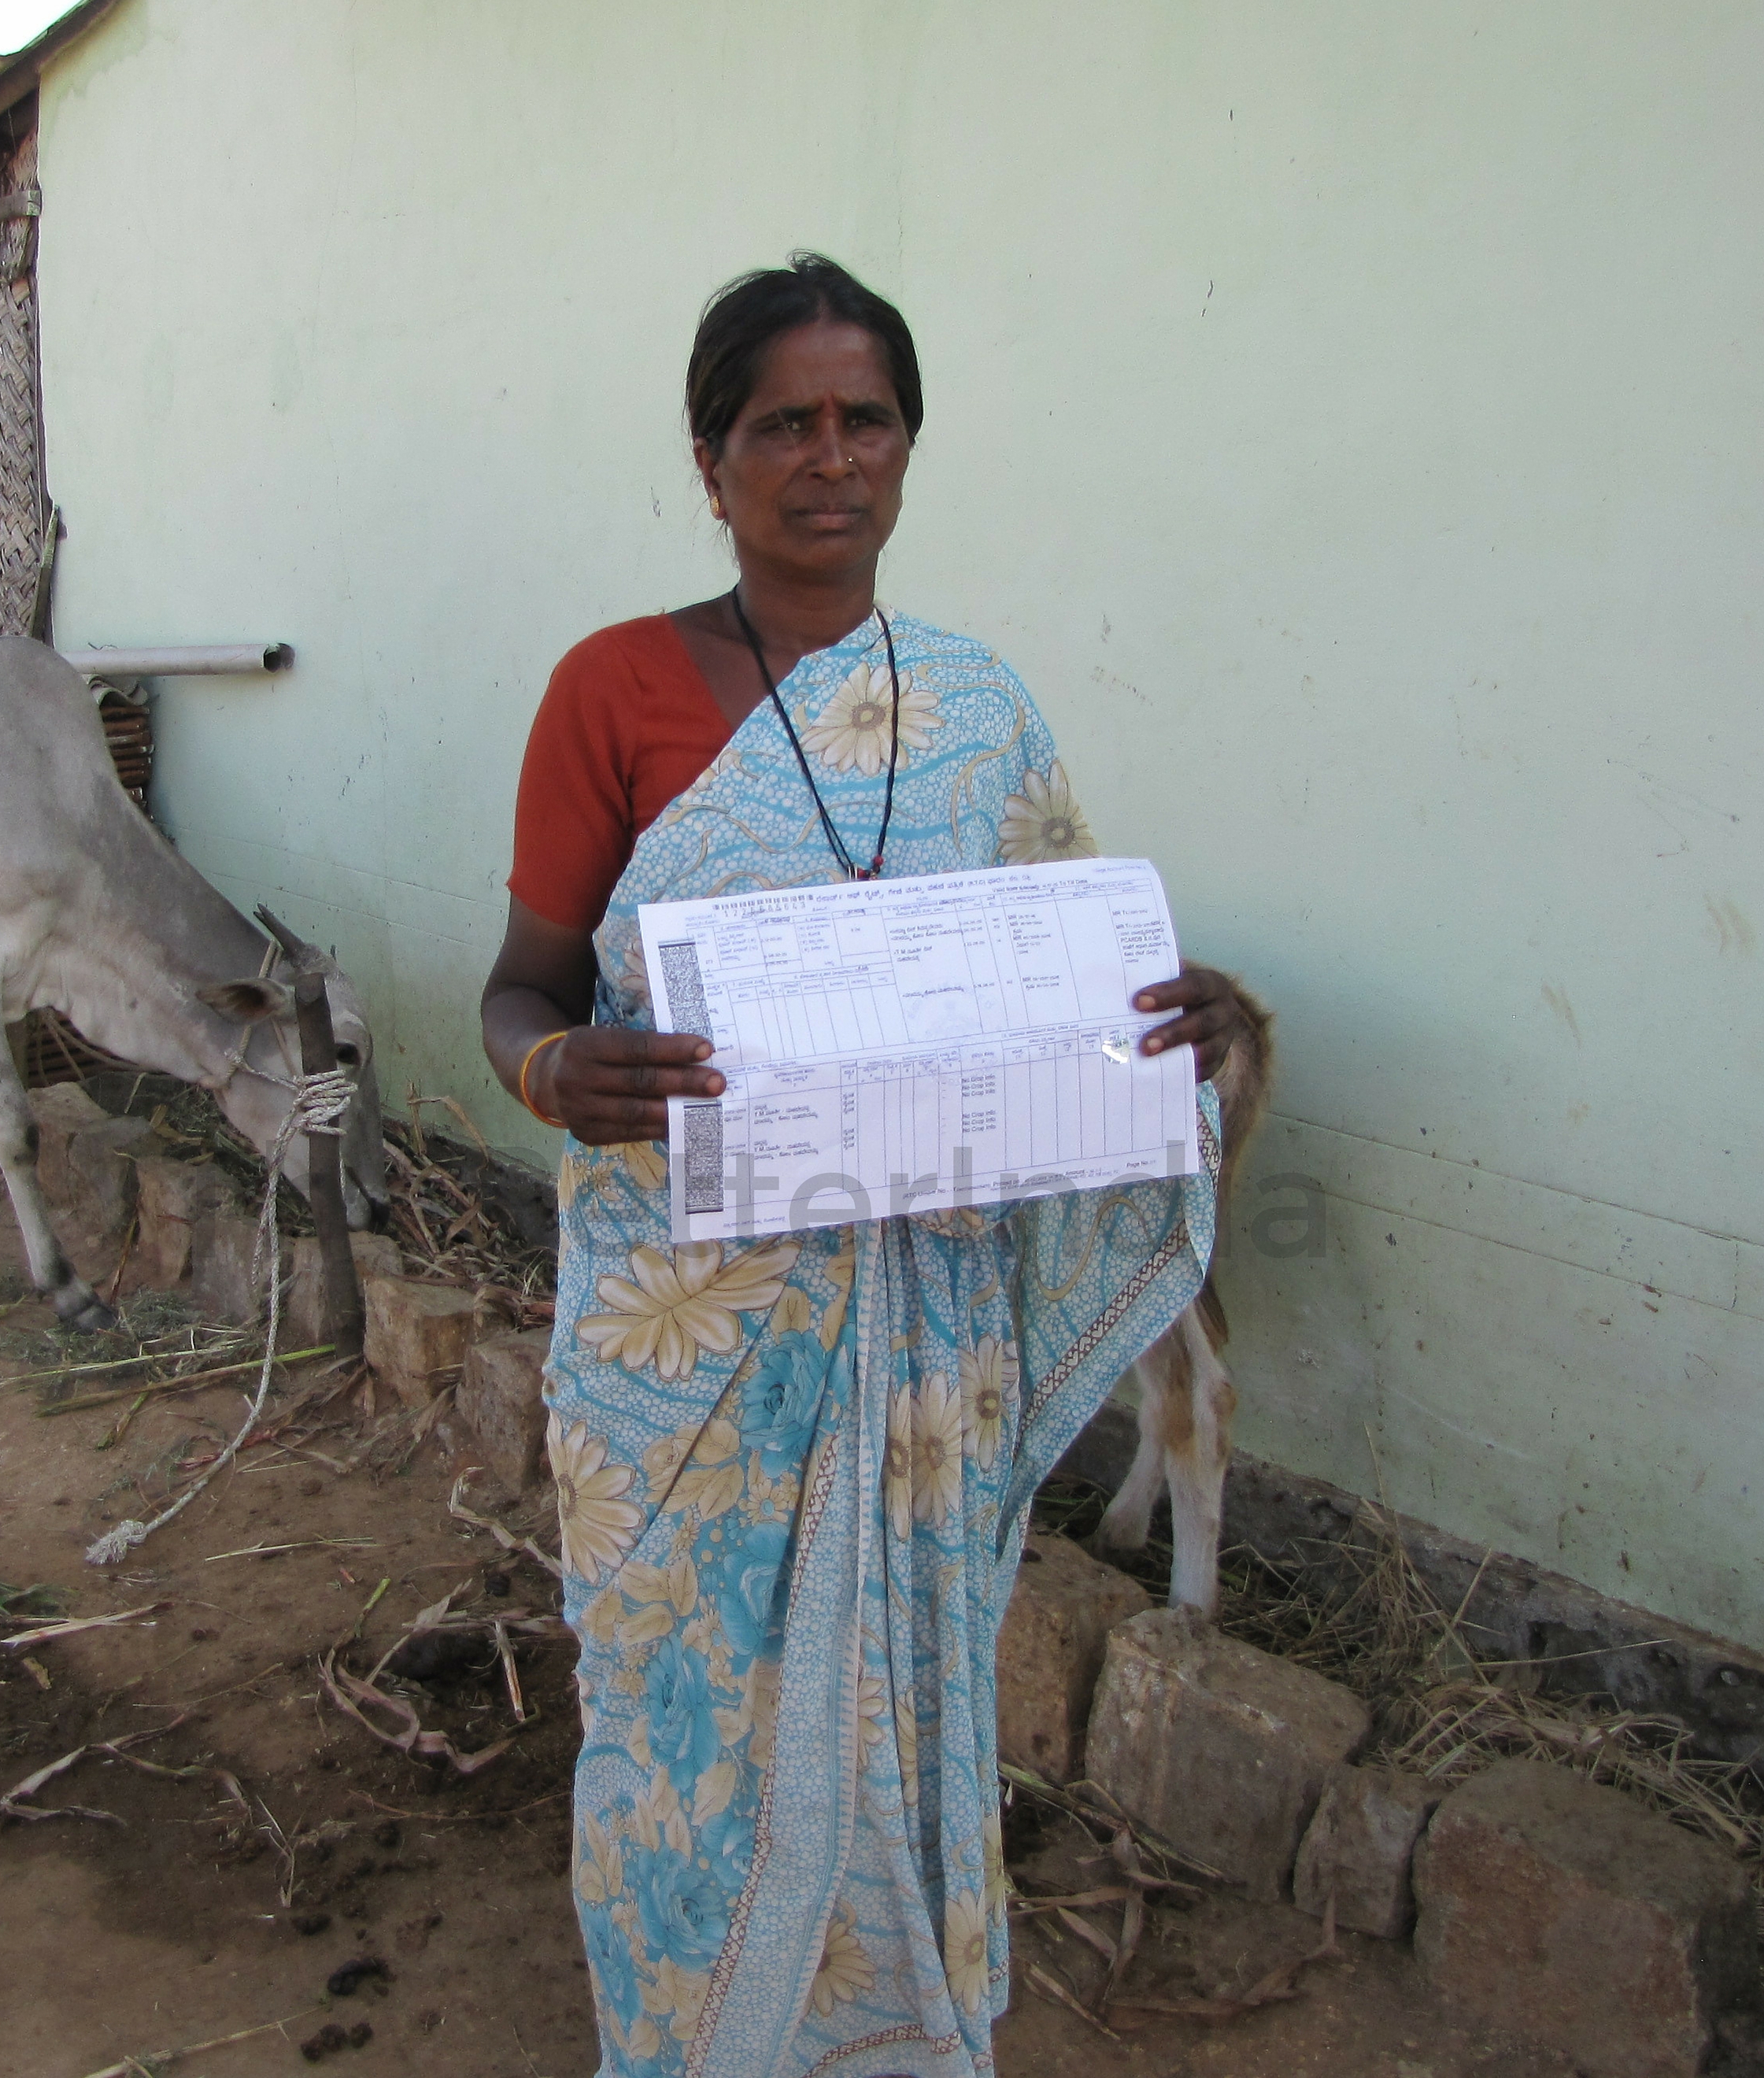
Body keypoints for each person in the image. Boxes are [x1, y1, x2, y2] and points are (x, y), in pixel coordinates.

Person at [481, 254, 1256, 2076]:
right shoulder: (614, 690)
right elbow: (517, 986)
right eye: (784, 424)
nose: (829, 459)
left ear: (909, 447)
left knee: (904, 1718)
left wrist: (1182, 1037)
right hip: (691, 1349)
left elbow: (1068, 1007)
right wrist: (550, 1067)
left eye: (868, 420)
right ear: (712, 454)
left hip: (919, 1354)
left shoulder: (979, 711)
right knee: (672, 1736)